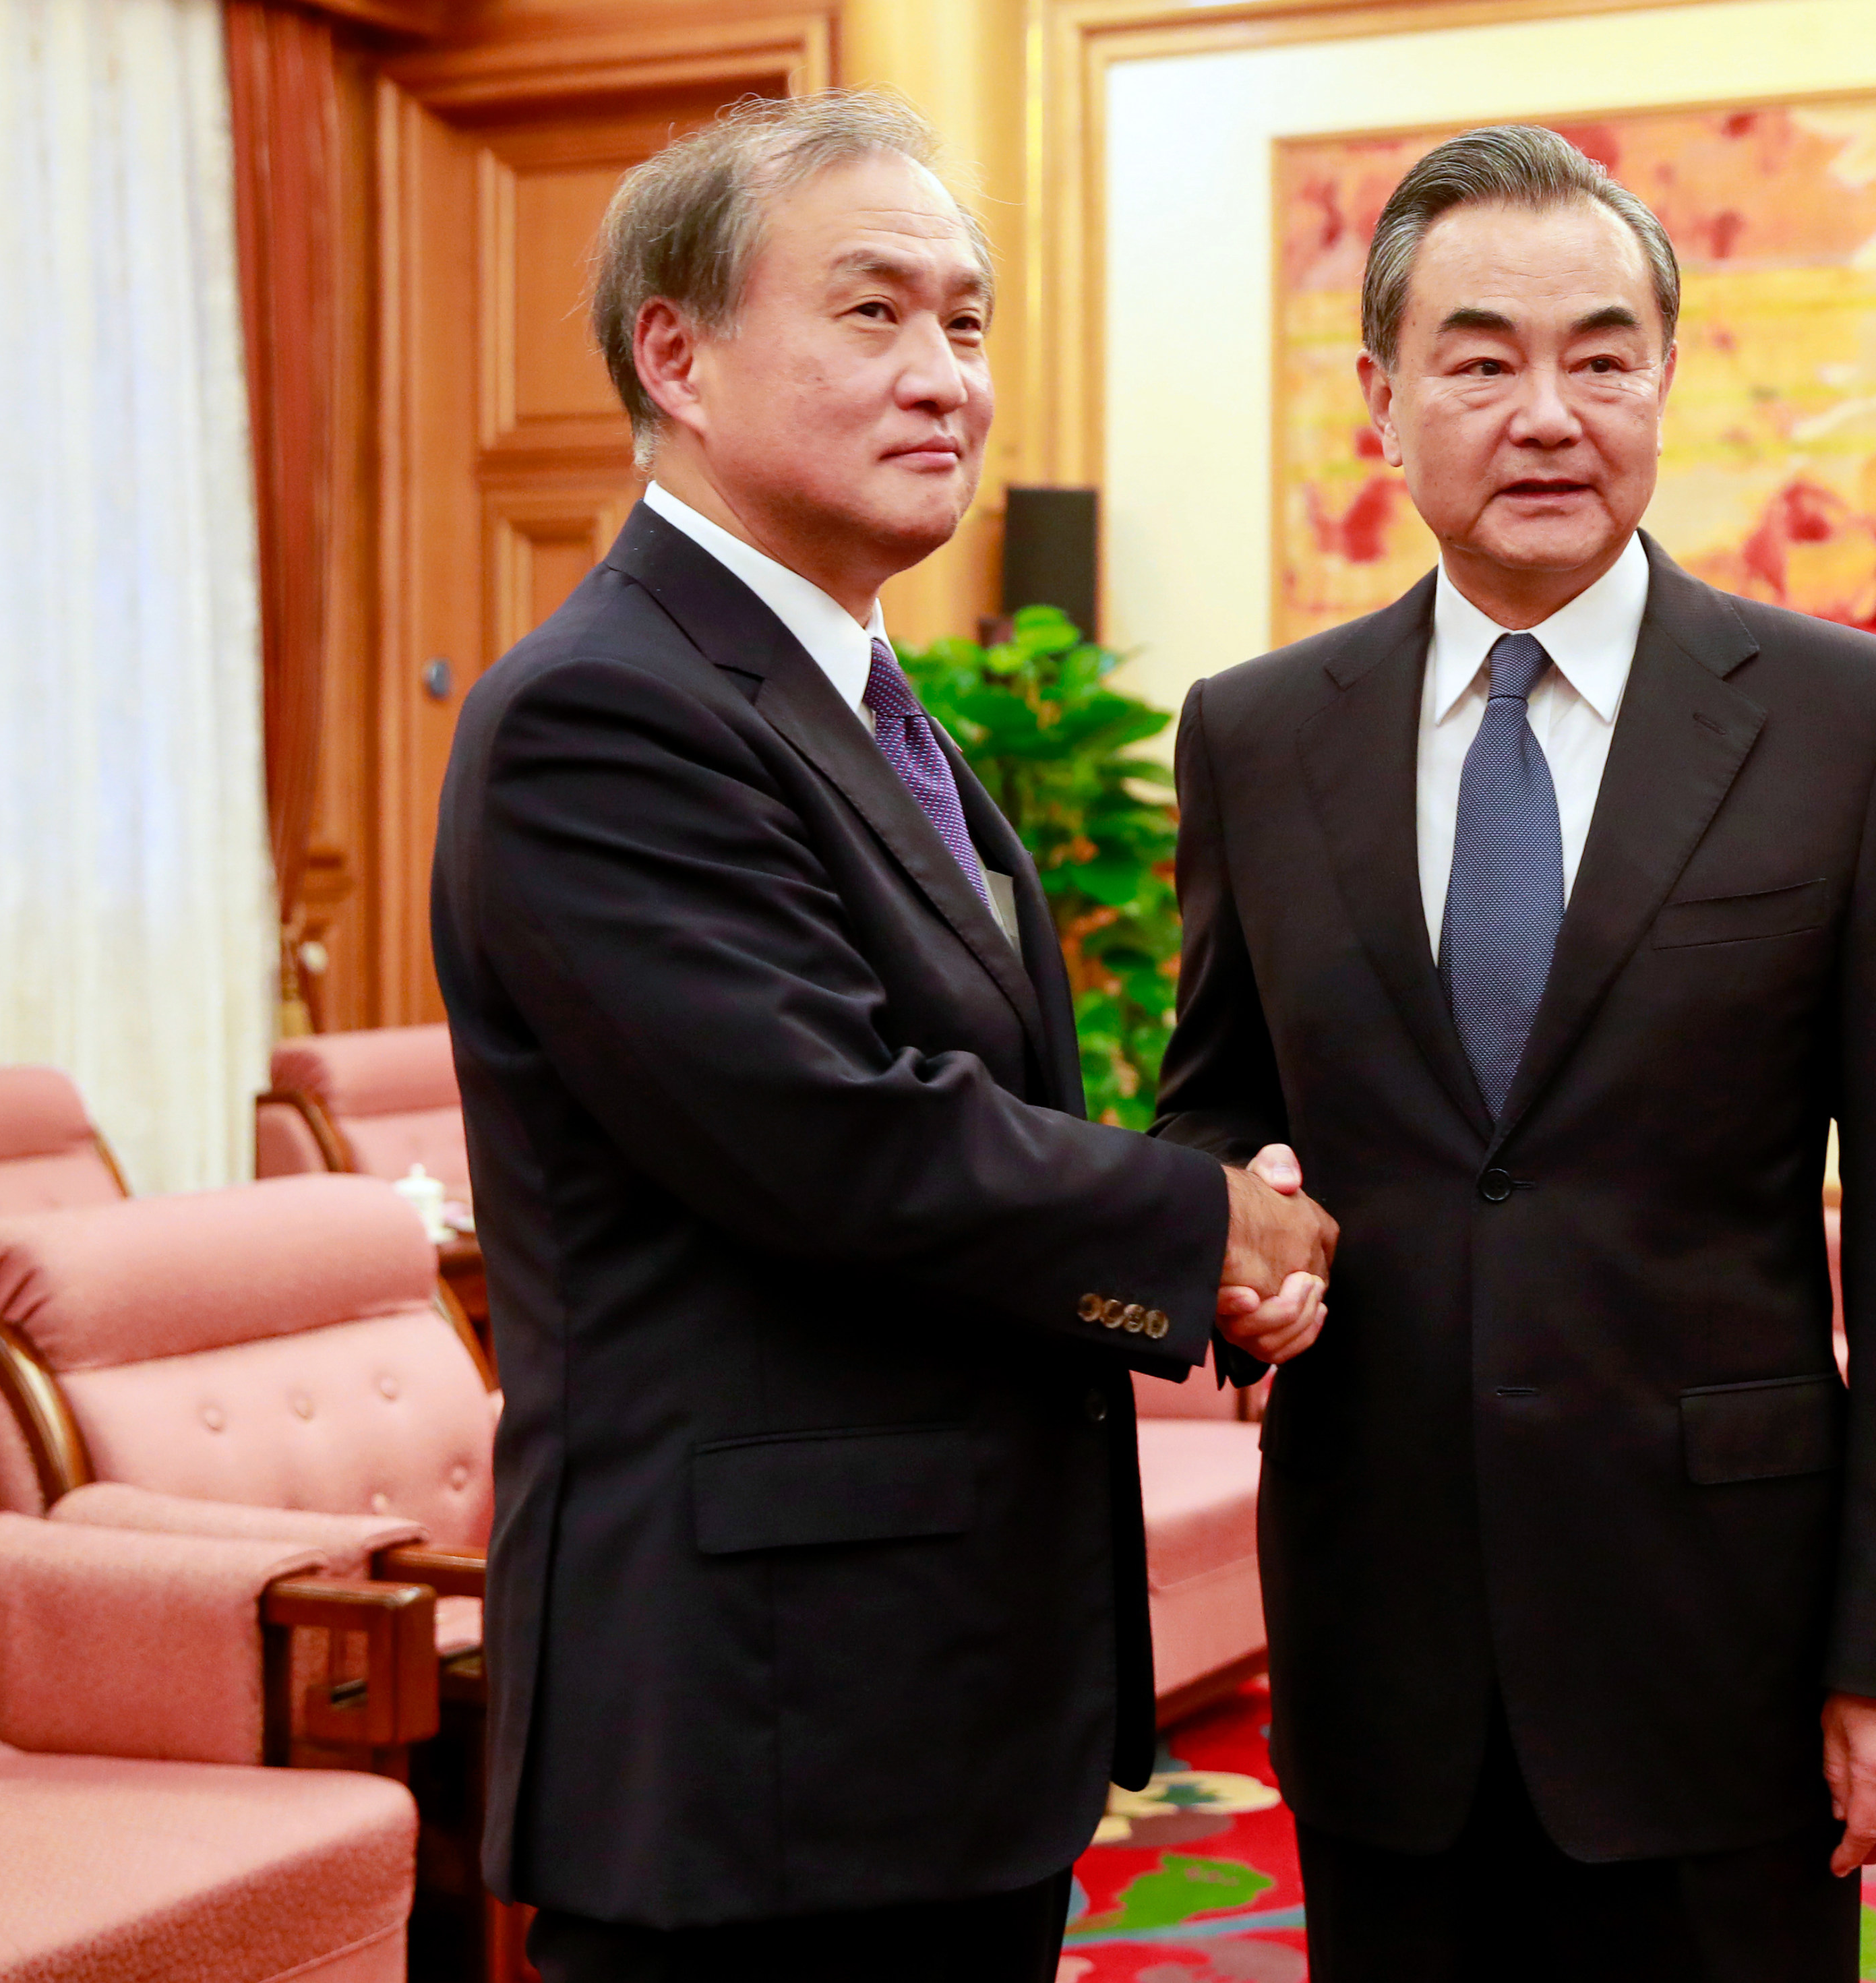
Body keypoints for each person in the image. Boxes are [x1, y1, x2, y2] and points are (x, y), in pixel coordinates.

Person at [430, 92, 1335, 1983]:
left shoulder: (855, 694)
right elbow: (839, 1136)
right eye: (874, 315)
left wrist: (1185, 1235)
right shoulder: (602, 711)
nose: (948, 378)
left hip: (919, 1703)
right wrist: (1204, 1237)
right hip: (754, 1735)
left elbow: (969, 1113)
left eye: (970, 321)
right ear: (676, 354)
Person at [1153, 125, 1876, 1979]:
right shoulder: (1260, 735)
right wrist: (1233, 1243)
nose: (1548, 412)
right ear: (1382, 399)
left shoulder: (1849, 726)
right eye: (1481, 358)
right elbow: (1217, 1107)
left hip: (1725, 1650)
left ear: (1665, 381)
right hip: (1386, 1648)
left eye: (1602, 356)